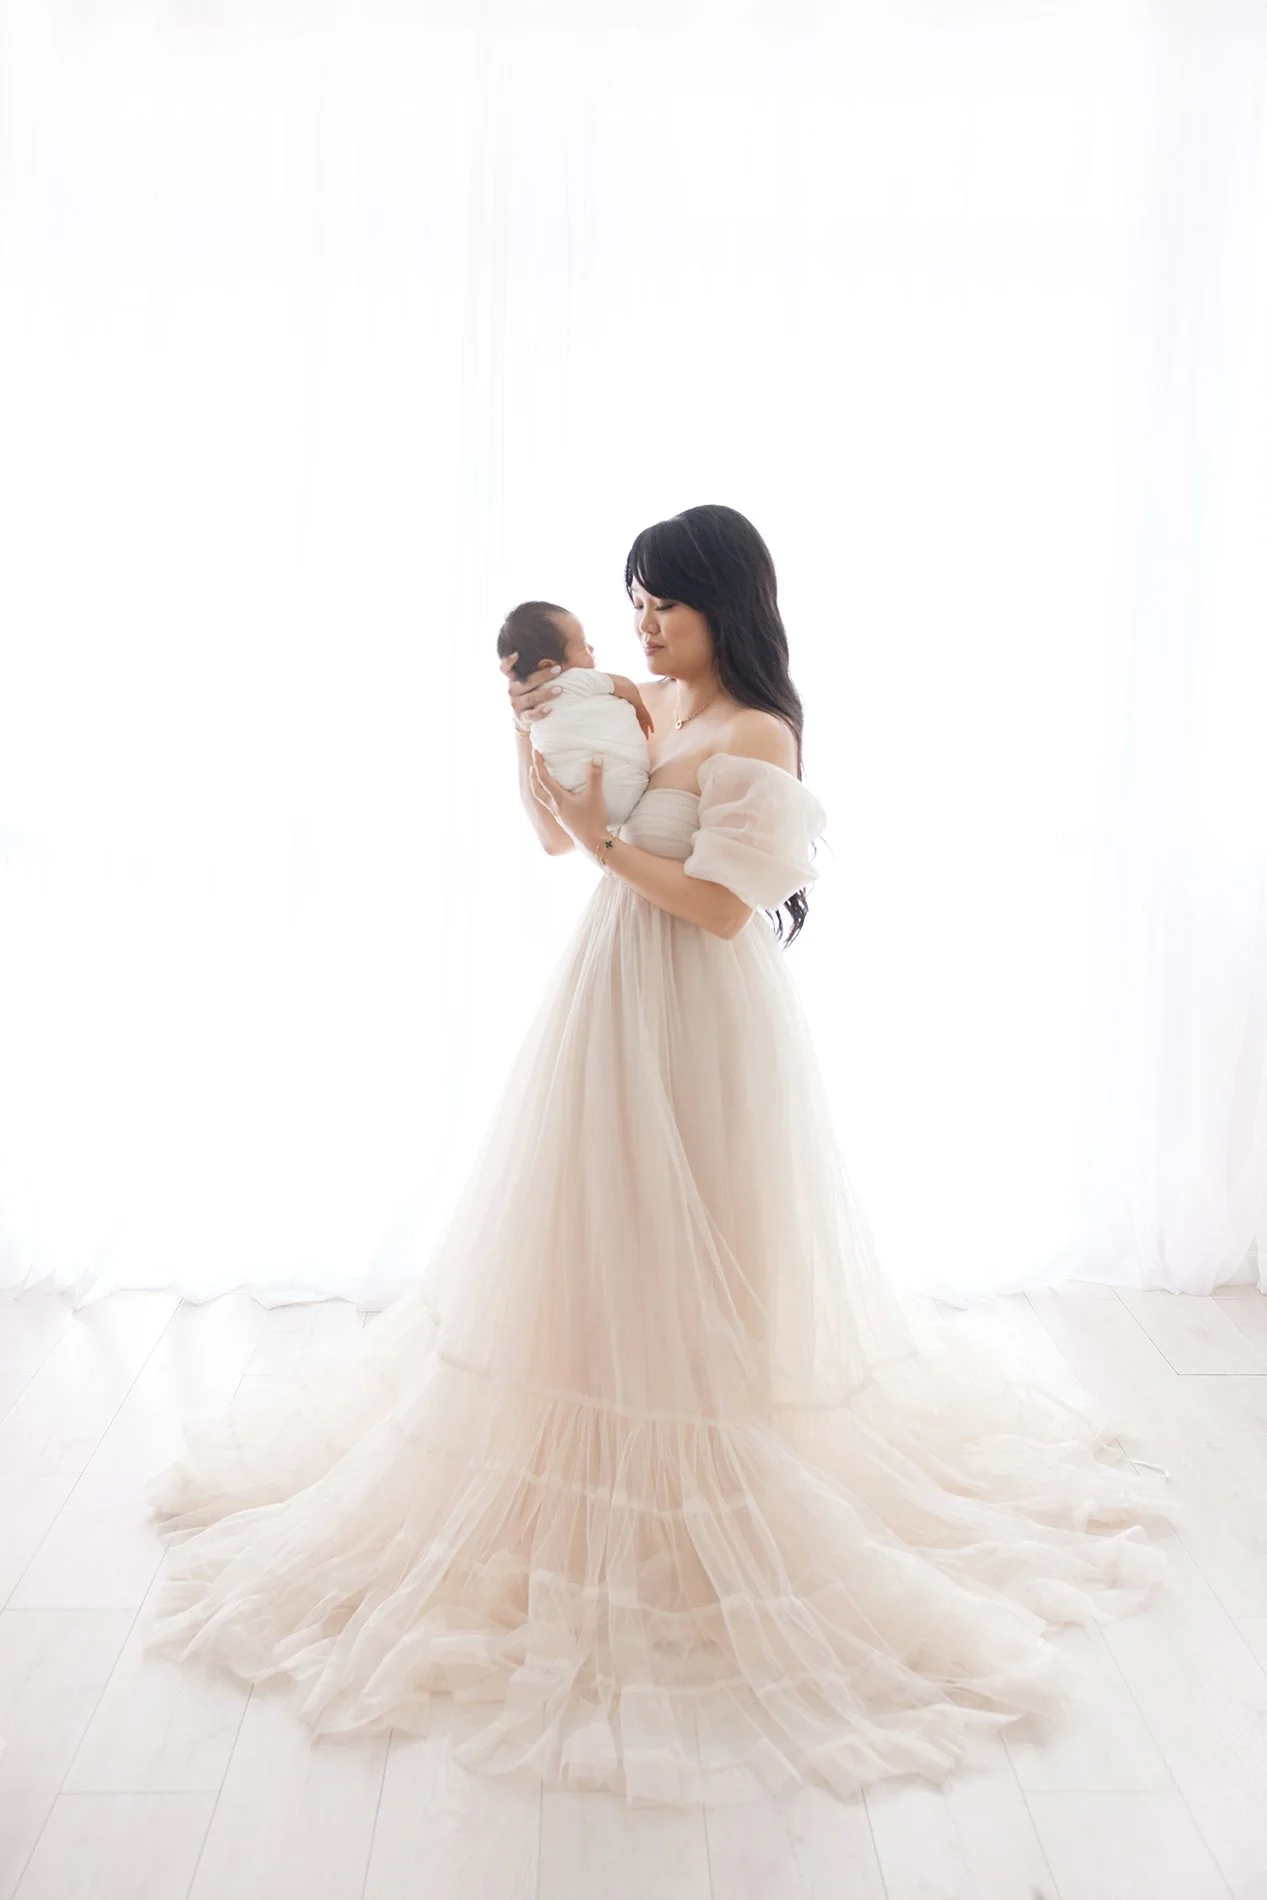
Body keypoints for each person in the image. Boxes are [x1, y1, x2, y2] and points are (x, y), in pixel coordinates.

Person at [143, 503, 1177, 1809]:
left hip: (699, 1003)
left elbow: (719, 901)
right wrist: (535, 749)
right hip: (612, 989)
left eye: (663, 602)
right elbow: (551, 837)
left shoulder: (752, 731)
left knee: (707, 1226)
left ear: (723, 606)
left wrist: (599, 838)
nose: (642, 621)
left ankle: (713, 1462)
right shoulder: (643, 710)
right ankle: (594, 1447)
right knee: (592, 1226)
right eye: (633, 600)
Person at [495, 598, 652, 827]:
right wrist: (639, 707)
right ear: (549, 665)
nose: (592, 649)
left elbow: (554, 840)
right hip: (627, 785)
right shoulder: (575, 679)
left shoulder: (535, 712)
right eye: (583, 646)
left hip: (581, 806)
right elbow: (625, 686)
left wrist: (522, 730)